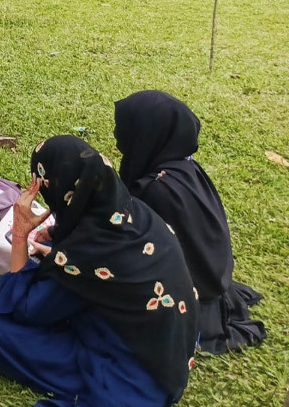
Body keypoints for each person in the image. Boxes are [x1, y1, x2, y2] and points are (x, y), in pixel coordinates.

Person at [0, 136, 198, 407]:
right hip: (165, 363)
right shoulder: (136, 214)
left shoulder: (85, 257)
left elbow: (25, 310)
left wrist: (21, 234)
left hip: (123, 379)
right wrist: (56, 241)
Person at [114, 90, 266, 354]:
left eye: (123, 128)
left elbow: (132, 248)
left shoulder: (155, 189)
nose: (117, 136)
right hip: (210, 276)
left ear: (146, 133)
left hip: (187, 296)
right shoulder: (185, 168)